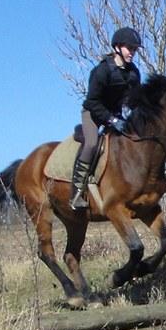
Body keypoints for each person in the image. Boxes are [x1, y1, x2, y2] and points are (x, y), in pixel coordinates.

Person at [70, 27, 142, 210]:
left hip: (116, 116)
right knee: (93, 143)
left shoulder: (134, 73)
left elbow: (134, 101)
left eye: (134, 49)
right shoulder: (101, 71)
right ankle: (77, 191)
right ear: (117, 47)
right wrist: (112, 120)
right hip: (93, 114)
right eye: (129, 48)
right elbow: (92, 102)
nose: (132, 53)